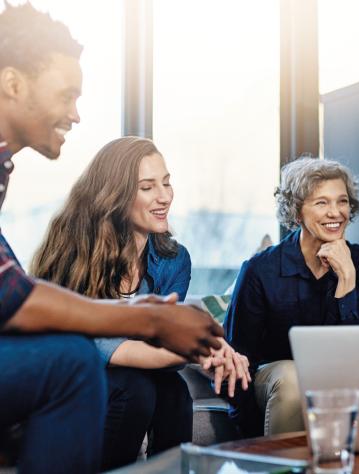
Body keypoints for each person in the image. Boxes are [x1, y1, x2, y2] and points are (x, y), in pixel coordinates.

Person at [0, 4, 222, 472]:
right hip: (106, 372)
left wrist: (153, 320)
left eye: (166, 182)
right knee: (73, 360)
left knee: (164, 390)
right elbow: (13, 297)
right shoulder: (75, 241)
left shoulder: (3, 168)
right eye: (66, 95)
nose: (76, 114)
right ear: (13, 84)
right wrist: (147, 319)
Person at [31, 136, 250, 470]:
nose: (164, 197)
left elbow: (167, 343)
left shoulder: (174, 259)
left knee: (173, 390)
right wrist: (201, 350)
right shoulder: (74, 250)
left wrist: (208, 349)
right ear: (115, 194)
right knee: (136, 388)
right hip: (75, 374)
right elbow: (108, 349)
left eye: (166, 183)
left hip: (142, 378)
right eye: (147, 187)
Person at [224, 157, 359, 436]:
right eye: (321, 202)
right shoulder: (260, 270)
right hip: (273, 381)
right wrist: (247, 435)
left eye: (342, 201)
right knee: (291, 375)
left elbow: (350, 354)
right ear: (297, 212)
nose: (335, 212)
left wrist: (346, 279)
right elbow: (239, 361)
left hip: (336, 378)